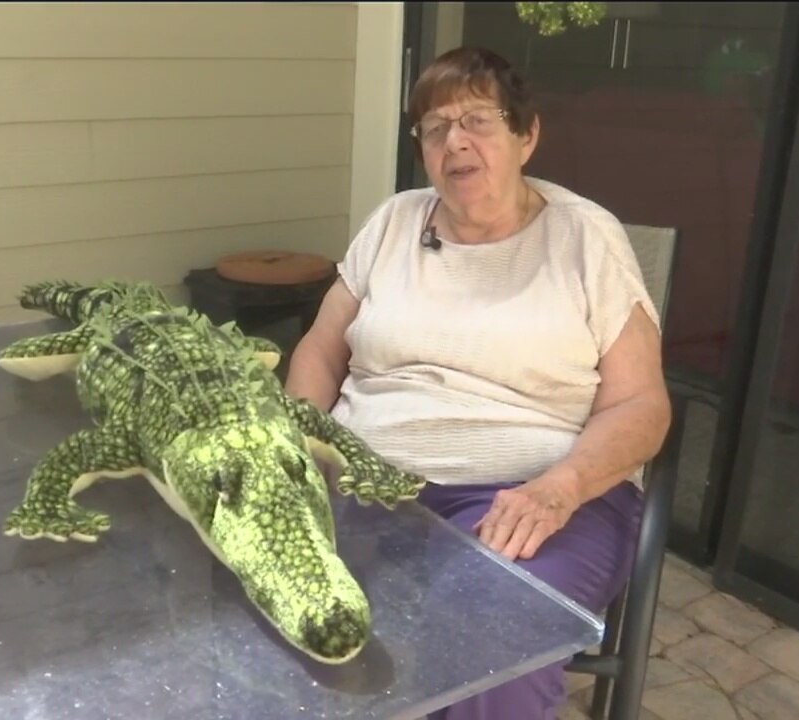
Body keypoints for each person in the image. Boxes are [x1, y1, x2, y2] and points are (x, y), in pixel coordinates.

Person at [284, 46, 672, 719]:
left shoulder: (585, 238)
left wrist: (562, 488)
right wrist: (294, 448)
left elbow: (642, 403)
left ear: (527, 135)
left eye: (478, 121)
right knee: (269, 598)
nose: (454, 141)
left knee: (486, 640)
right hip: (365, 484)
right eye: (435, 128)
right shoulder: (393, 222)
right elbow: (320, 349)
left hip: (529, 495)